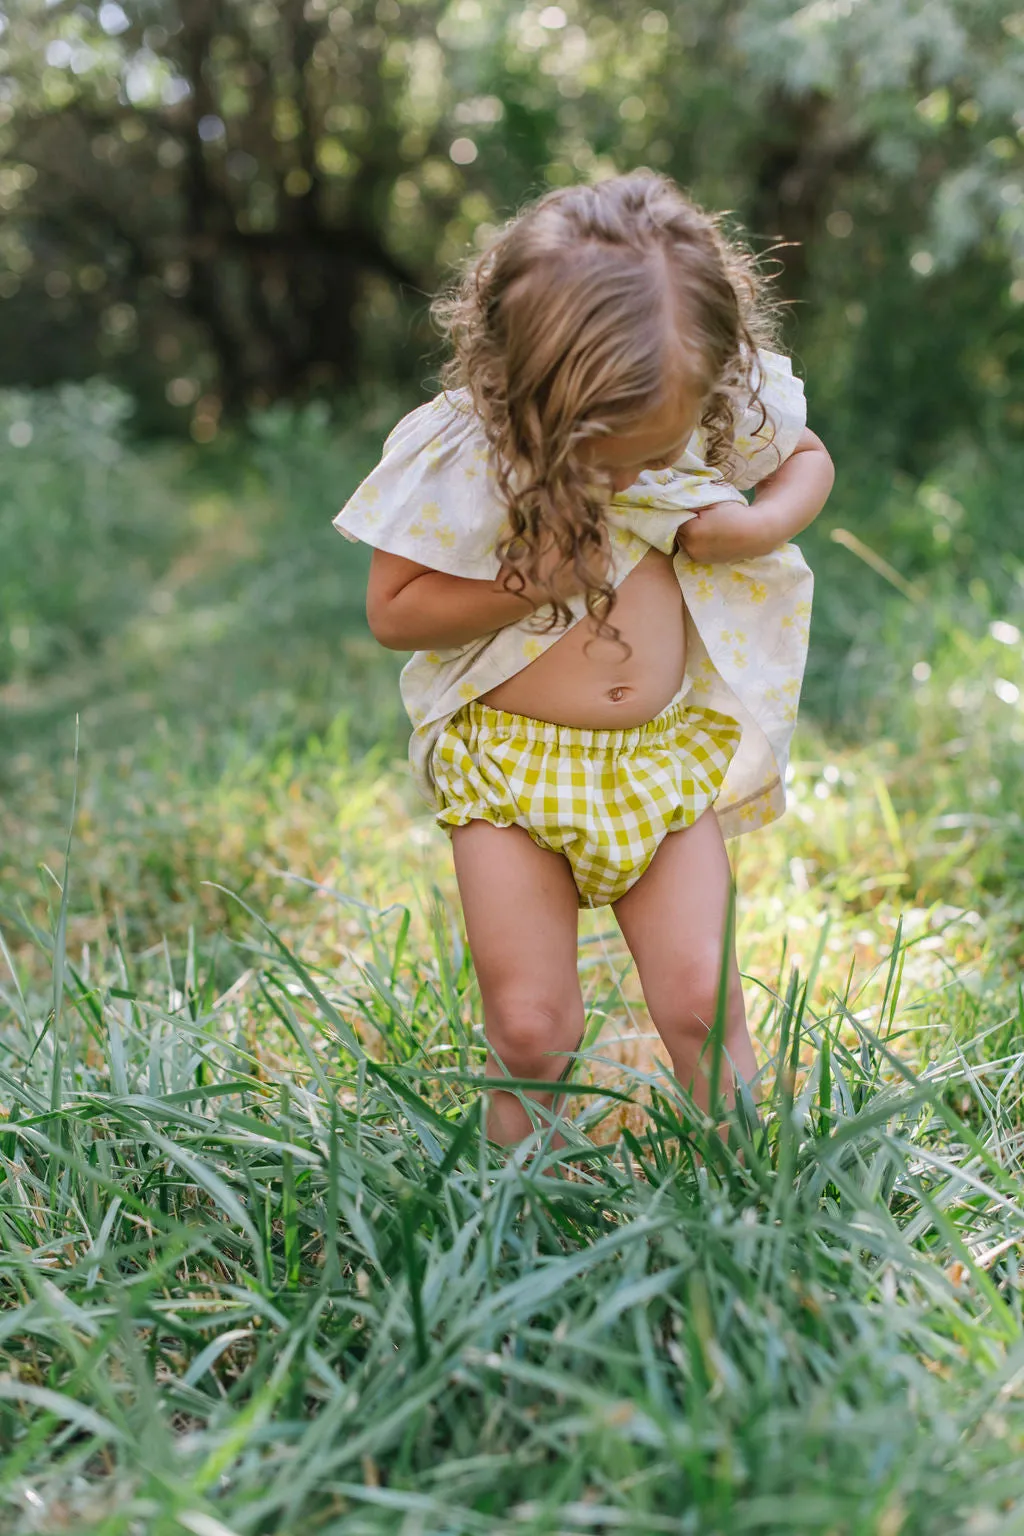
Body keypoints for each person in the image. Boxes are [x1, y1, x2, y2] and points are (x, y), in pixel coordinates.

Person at [334, 171, 834, 1145]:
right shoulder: (462, 447)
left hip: (661, 762)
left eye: (655, 453)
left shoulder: (714, 395)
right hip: (510, 771)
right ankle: (518, 1217)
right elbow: (393, 613)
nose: (632, 479)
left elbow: (805, 458)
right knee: (530, 1029)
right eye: (602, 460)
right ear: (521, 388)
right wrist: (532, 582)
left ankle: (748, 1195)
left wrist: (759, 521)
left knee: (701, 1000)